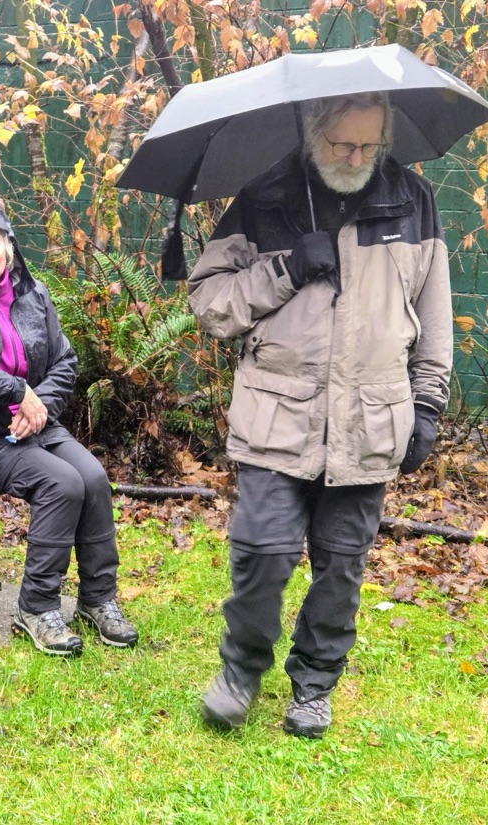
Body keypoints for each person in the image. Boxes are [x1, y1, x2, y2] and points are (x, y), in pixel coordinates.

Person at [187, 93, 453, 739]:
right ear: (313, 135)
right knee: (262, 555)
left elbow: (434, 314)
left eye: (369, 146)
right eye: (343, 145)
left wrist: (427, 403)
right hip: (277, 418)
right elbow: (210, 303)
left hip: (371, 419)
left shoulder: (411, 201)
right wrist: (284, 269)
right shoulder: (264, 197)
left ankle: (313, 686)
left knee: (341, 565)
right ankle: (240, 673)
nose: (356, 158)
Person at [0, 199, 138, 657]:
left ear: (9, 247)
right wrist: (18, 392)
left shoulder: (32, 293)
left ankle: (97, 600)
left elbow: (63, 360)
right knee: (62, 484)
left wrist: (39, 408)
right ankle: (37, 608)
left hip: (38, 424)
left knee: (94, 479)